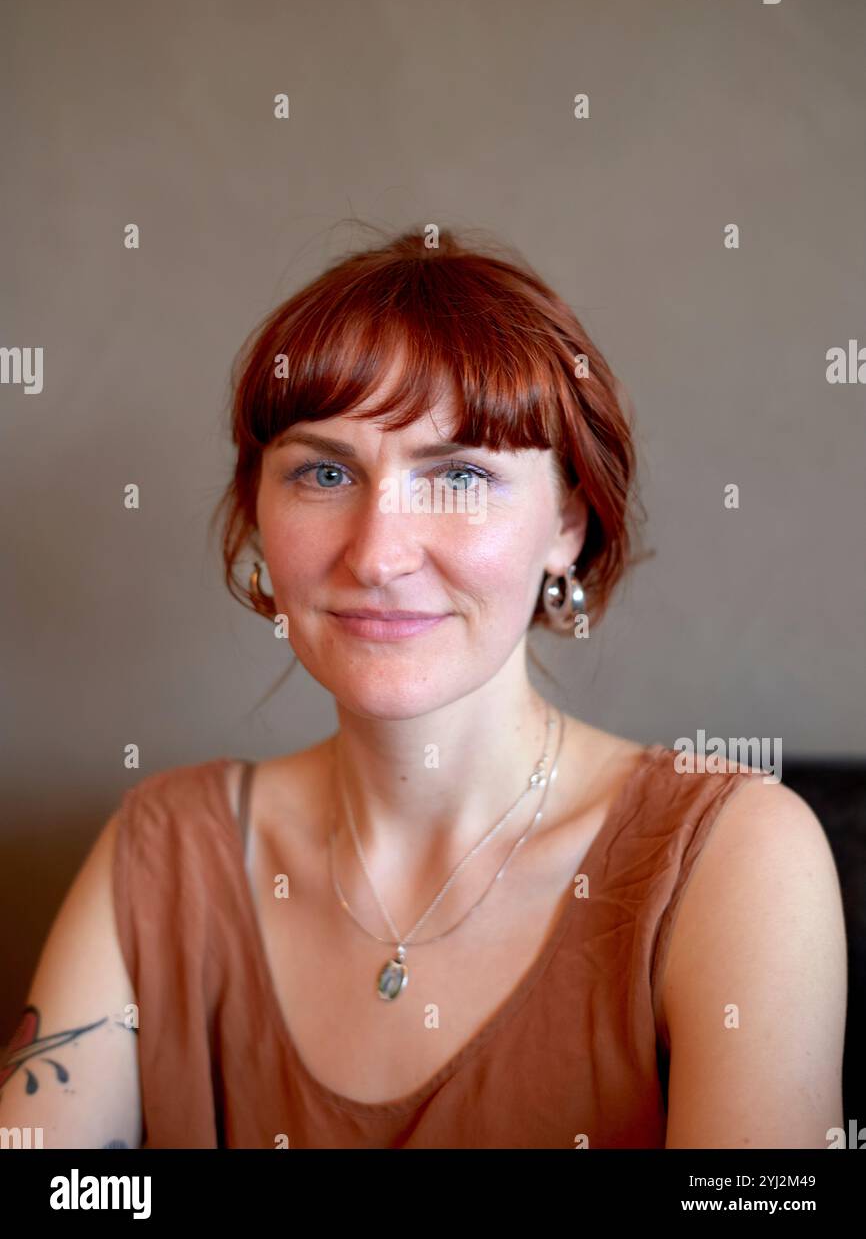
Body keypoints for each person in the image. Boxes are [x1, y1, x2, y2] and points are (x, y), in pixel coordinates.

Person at [0, 226, 847, 1148]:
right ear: (258, 513)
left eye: (459, 476)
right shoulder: (160, 854)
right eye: (325, 473)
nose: (377, 554)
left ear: (567, 521)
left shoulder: (734, 855)